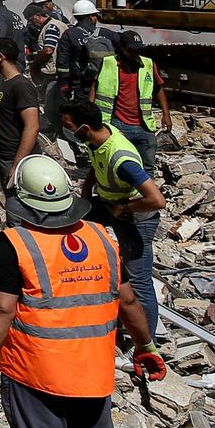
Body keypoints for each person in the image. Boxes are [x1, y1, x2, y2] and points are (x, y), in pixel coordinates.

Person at [0, 155, 165, 428]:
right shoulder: (103, 237)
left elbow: (0, 308)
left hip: (34, 377)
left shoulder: (17, 243)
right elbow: (129, 300)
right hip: (93, 374)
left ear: (23, 200)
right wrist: (145, 345)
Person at [61, 101, 167, 340]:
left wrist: (124, 208)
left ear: (84, 128)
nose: (66, 129)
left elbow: (157, 199)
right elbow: (96, 163)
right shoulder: (98, 137)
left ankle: (146, 343)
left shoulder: (123, 159)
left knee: (138, 281)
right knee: (69, 221)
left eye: (69, 125)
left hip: (134, 217)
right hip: (111, 205)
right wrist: (86, 194)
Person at [95, 30, 171, 169]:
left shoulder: (148, 64)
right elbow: (95, 86)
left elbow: (158, 88)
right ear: (122, 48)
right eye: (131, 50)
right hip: (118, 124)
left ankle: (145, 190)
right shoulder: (108, 63)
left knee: (148, 166)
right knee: (119, 165)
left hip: (144, 125)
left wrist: (166, 114)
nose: (135, 54)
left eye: (138, 50)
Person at [0, 38, 40, 185]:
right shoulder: (6, 84)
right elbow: (4, 126)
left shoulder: (21, 86)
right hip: (6, 158)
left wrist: (17, 165)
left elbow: (32, 126)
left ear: (1, 56)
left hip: (17, 160)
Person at [53, 0, 116, 123]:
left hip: (80, 85)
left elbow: (62, 64)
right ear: (91, 16)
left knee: (81, 114)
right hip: (105, 83)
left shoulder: (69, 34)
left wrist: (65, 85)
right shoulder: (106, 34)